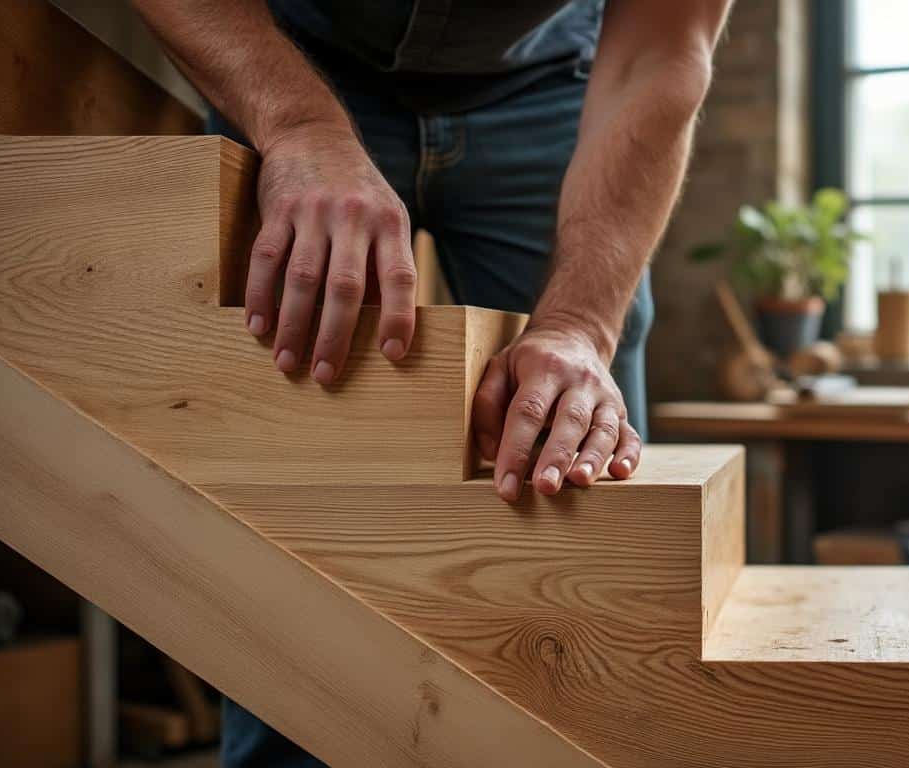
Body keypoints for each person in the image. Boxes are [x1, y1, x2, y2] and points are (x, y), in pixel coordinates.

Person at [130, 0, 730, 765]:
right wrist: (299, 128)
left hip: (554, 86)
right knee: (293, 420)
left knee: (575, 438)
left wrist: (582, 322)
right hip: (295, 53)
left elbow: (661, 48)